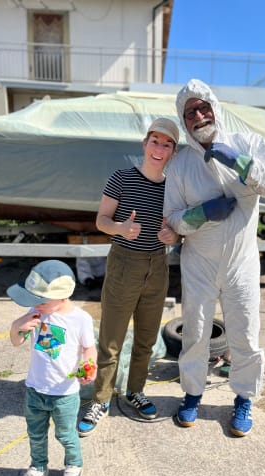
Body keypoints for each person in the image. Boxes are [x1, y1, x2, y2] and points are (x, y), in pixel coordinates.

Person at [163, 79, 265, 436]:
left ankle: (244, 398)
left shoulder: (247, 143)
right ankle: (191, 394)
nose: (199, 115)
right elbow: (171, 217)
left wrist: (244, 165)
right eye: (191, 112)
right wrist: (199, 214)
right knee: (195, 333)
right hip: (198, 263)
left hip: (242, 263)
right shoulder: (181, 164)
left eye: (204, 107)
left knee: (245, 335)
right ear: (183, 120)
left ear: (215, 108)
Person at [78, 118, 179, 437]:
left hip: (158, 265)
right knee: (111, 338)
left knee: (148, 338)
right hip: (124, 262)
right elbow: (101, 220)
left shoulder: (174, 187)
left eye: (167, 144)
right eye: (155, 140)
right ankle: (100, 399)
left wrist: (173, 235)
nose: (159, 148)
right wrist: (121, 228)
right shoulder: (121, 178)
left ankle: (135, 390)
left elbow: (178, 229)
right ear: (144, 144)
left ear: (173, 152)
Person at [6, 260, 97, 476]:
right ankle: (38, 467)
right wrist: (18, 325)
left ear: (63, 297)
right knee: (35, 433)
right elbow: (17, 341)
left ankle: (74, 466)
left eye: (41, 300)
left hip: (64, 393)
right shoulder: (35, 312)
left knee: (66, 435)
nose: (36, 305)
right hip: (35, 389)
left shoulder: (80, 320)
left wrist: (89, 366)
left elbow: (89, 348)